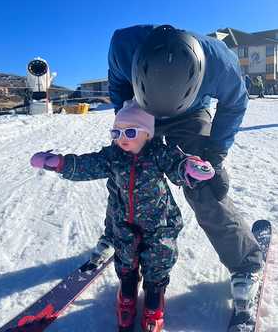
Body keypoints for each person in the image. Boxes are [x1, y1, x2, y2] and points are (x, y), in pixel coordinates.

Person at [101, 24, 263, 322]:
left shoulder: (220, 62)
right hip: (140, 107)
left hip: (190, 115)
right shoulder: (123, 46)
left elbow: (235, 103)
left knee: (203, 185)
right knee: (125, 169)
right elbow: (119, 88)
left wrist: (215, 154)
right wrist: (129, 125)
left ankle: (245, 263)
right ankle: (117, 231)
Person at [30, 100, 215, 332]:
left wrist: (191, 167)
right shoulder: (112, 156)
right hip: (124, 223)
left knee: (159, 257)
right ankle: (127, 289)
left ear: (147, 134)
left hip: (159, 223)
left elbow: (178, 164)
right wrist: (60, 164)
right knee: (125, 259)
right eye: (116, 132)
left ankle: (154, 296)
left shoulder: (158, 152)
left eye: (130, 132)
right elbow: (88, 165)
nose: (122, 138)